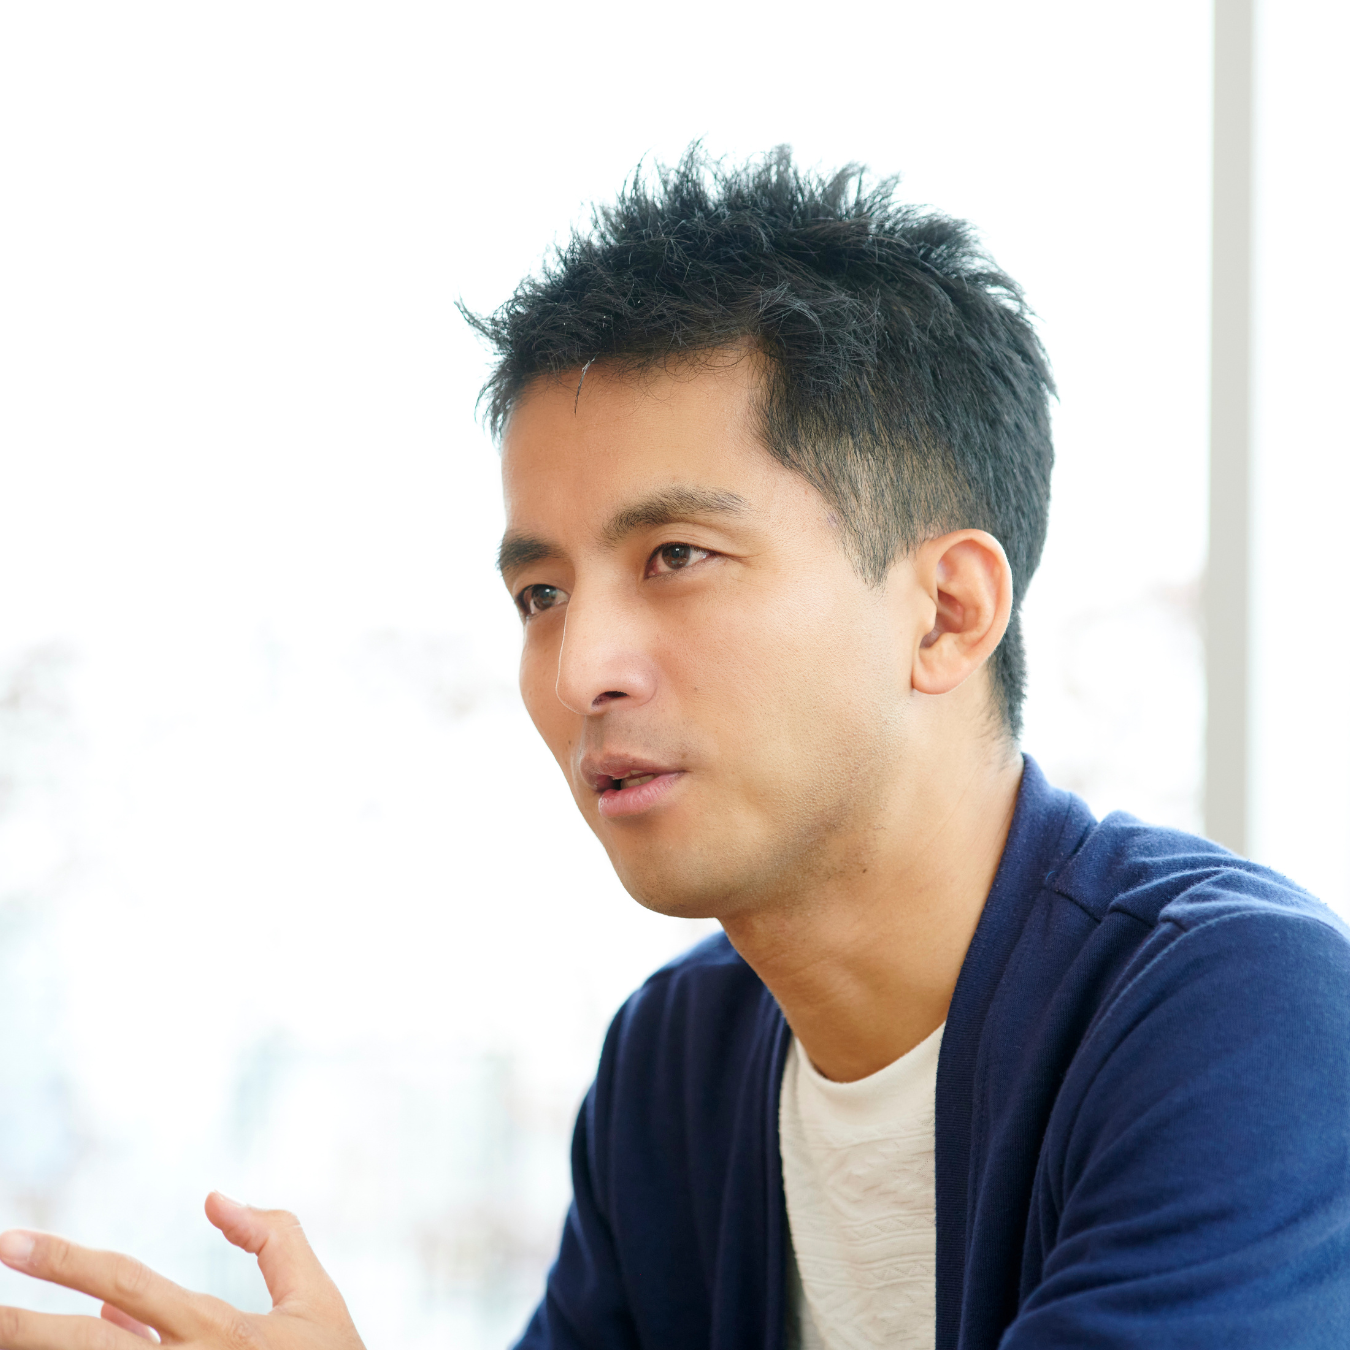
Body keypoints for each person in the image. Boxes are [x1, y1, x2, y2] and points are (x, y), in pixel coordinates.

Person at [2, 147, 1348, 1350]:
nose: (579, 667)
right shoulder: (677, 1065)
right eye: (541, 592)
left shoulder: (1243, 1016)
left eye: (677, 557)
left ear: (945, 611)